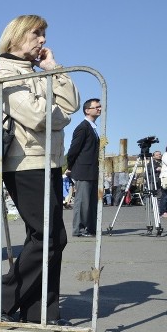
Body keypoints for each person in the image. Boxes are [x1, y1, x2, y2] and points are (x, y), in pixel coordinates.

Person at [0, 14, 80, 325]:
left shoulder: (36, 72)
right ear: (16, 37)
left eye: (43, 34)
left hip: (49, 160)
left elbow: (72, 104)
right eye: (36, 34)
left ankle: (41, 311)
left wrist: (53, 69)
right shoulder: (2, 74)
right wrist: (60, 115)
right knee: (49, 237)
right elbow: (39, 116)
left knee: (46, 238)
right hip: (23, 163)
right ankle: (4, 294)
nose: (43, 40)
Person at [66, 98, 102, 236]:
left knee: (92, 202)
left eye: (100, 106)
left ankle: (90, 228)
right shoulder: (83, 127)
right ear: (87, 110)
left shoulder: (93, 128)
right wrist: (70, 166)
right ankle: (79, 229)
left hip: (92, 170)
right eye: (96, 107)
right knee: (82, 202)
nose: (99, 108)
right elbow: (74, 149)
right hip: (83, 170)